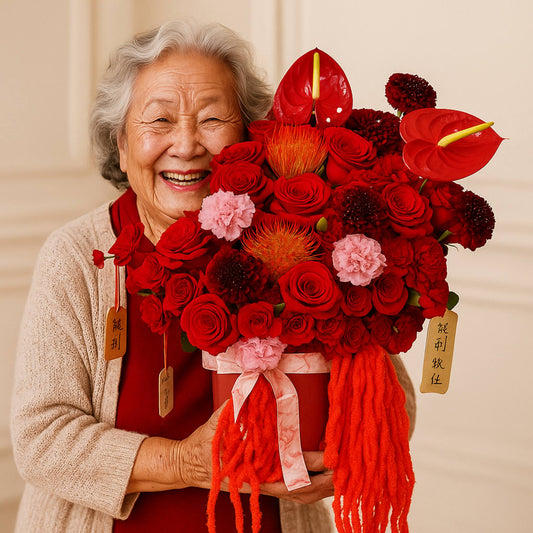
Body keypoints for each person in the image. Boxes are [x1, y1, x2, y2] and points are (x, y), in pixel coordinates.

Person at [10, 20, 415, 533]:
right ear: (121, 141)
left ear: (248, 134)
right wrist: (183, 461)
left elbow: (390, 399)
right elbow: (42, 440)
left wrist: (348, 453)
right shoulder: (76, 257)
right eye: (158, 120)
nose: (186, 145)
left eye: (211, 119)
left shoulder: (298, 239)